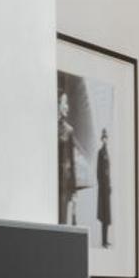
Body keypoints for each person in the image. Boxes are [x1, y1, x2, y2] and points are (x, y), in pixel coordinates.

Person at [57, 88, 79, 225]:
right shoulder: (47, 127)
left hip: (64, 186)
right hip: (50, 185)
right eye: (65, 102)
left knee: (62, 223)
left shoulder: (69, 130)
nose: (67, 107)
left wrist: (74, 190)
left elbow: (72, 161)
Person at [96, 129, 113, 248]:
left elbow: (108, 172)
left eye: (106, 137)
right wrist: (102, 186)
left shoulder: (106, 152)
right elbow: (99, 171)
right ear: (101, 139)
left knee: (107, 216)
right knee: (104, 216)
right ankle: (103, 241)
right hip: (103, 189)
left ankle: (106, 240)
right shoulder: (101, 152)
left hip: (107, 188)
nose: (105, 139)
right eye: (103, 138)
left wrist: (109, 185)